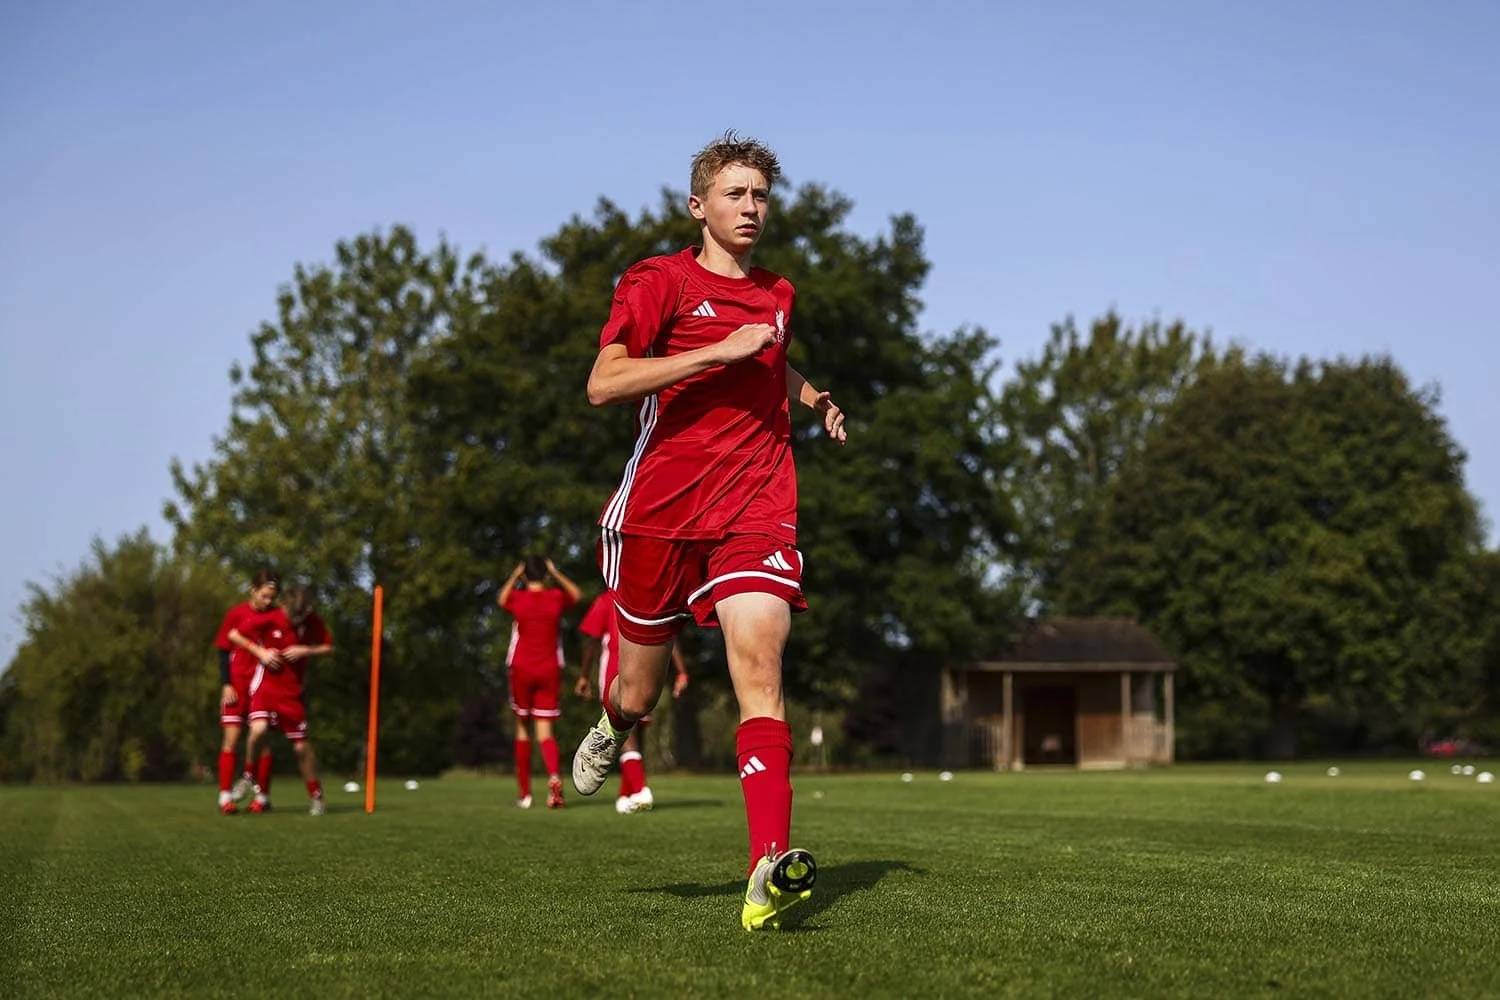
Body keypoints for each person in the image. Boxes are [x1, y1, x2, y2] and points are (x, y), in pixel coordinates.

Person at [570, 132, 846, 931]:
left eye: (760, 195)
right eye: (735, 194)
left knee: (761, 663)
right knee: (640, 688)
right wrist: (714, 352)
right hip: (659, 513)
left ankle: (767, 869)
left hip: (757, 504)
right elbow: (603, 383)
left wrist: (813, 396)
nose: (751, 207)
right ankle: (615, 725)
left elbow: (770, 363)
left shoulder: (779, 293)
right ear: (699, 206)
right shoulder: (659, 281)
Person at [576, 591, 689, 814]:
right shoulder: (650, 596)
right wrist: (681, 672)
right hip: (647, 671)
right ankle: (625, 795)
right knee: (634, 736)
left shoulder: (607, 599)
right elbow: (668, 636)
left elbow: (592, 641)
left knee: (623, 733)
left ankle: (639, 790)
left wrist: (583, 675)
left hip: (615, 673)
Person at [238, 586, 335, 815]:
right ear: (283, 606)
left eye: (301, 615)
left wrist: (305, 650)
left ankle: (316, 796)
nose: (295, 619)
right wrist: (260, 652)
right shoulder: (270, 617)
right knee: (258, 730)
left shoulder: (312, 621)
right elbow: (236, 634)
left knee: (301, 747)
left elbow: (329, 647)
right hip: (265, 688)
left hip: (291, 694)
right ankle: (247, 776)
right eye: (293, 614)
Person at [498, 555, 582, 809]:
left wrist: (515, 576)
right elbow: (576, 594)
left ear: (524, 575)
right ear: (546, 575)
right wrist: (555, 573)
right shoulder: (555, 598)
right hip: (549, 669)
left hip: (521, 668)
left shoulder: (519, 599)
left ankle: (525, 795)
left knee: (523, 729)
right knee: (545, 731)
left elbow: (501, 599)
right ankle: (554, 779)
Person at [211, 570, 283, 815]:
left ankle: (262, 797)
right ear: (253, 590)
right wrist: (226, 684)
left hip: (264, 685)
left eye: (272, 597)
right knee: (230, 740)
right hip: (237, 683)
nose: (268, 601)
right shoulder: (236, 614)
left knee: (262, 739)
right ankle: (225, 798)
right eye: (264, 596)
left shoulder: (278, 616)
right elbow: (223, 649)